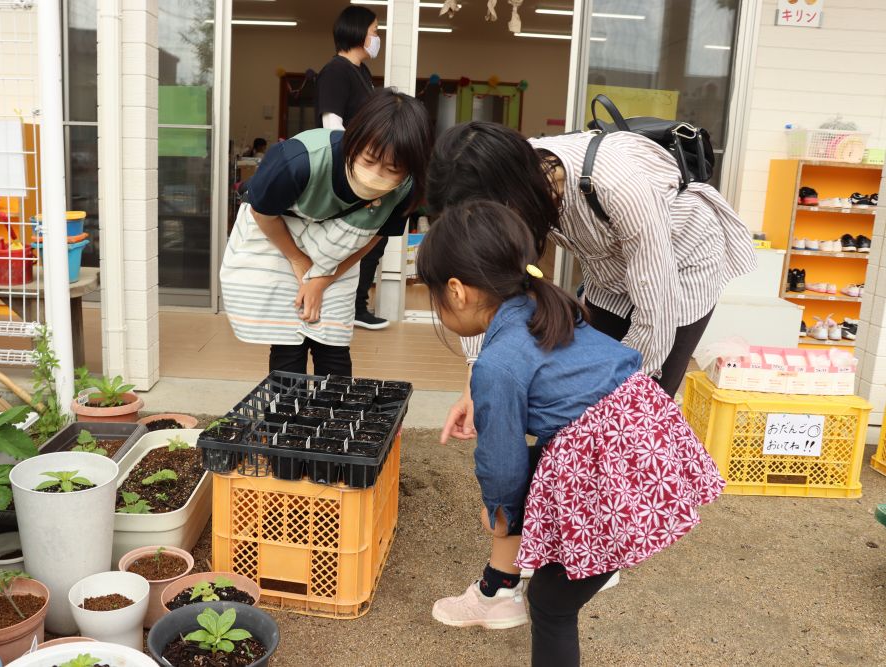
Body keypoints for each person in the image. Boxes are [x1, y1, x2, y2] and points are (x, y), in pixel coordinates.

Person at [421, 201, 724, 666]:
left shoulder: (498, 364)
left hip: (610, 470)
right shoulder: (548, 306)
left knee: (550, 602)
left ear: (456, 291)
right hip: (647, 444)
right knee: (559, 578)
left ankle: (502, 593)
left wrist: (502, 514)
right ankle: (506, 586)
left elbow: (501, 461)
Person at [427, 121, 757, 442]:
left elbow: (657, 311)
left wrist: (619, 400)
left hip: (682, 267)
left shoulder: (618, 184)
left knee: (637, 408)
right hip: (609, 272)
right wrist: (476, 377)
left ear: (512, 199)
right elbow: (479, 281)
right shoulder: (507, 176)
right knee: (579, 398)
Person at [220, 89, 431, 377]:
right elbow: (262, 212)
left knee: (333, 343)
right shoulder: (297, 161)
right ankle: (284, 419)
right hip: (279, 233)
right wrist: (297, 259)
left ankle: (336, 418)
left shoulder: (406, 188)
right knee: (288, 341)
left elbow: (374, 238)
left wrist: (322, 279)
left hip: (342, 250)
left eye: (392, 169)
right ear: (353, 141)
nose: (377, 174)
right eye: (369, 161)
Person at [317, 5, 391, 331]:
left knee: (375, 237)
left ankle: (357, 304)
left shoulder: (361, 74)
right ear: (359, 33)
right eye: (375, 31)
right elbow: (332, 125)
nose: (377, 38)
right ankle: (345, 304)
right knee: (356, 236)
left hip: (366, 169)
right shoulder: (336, 71)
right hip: (348, 171)